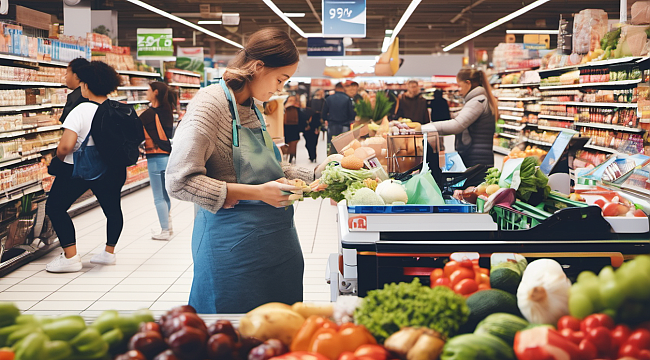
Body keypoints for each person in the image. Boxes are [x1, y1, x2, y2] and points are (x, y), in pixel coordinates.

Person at [165, 28, 316, 314]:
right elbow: (178, 181)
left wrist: (316, 175)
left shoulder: (251, 107)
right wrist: (257, 194)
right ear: (258, 67)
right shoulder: (209, 106)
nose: (281, 88)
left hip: (277, 243)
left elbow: (268, 167)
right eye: (280, 79)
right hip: (233, 250)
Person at [44, 61, 125, 273]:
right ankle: (109, 253)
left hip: (78, 169)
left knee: (55, 207)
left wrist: (59, 159)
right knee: (112, 210)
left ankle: (70, 257)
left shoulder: (81, 110)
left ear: (86, 85)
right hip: (110, 169)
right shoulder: (117, 109)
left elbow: (66, 146)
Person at [422, 68, 497, 180]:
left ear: (468, 83)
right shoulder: (478, 100)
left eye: (459, 85)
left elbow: (457, 125)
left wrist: (423, 128)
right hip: (479, 158)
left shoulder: (477, 101)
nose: (458, 89)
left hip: (476, 160)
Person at [140, 82, 176, 240]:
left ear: (155, 92)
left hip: (154, 158)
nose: (146, 92)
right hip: (167, 156)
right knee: (165, 194)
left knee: (158, 196)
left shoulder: (148, 114)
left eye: (148, 90)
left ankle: (164, 231)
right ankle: (168, 225)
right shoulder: (167, 111)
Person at [322, 82, 355, 155]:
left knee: (331, 144)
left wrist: (327, 119)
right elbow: (351, 113)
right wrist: (349, 120)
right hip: (345, 125)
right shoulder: (347, 98)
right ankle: (342, 160)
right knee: (344, 146)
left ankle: (331, 158)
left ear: (336, 88)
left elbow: (324, 113)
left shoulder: (329, 98)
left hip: (332, 124)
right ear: (342, 88)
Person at [59, 57, 90, 124]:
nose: (65, 76)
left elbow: (65, 121)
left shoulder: (74, 98)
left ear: (76, 76)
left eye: (67, 73)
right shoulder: (92, 94)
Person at [283, 95, 301, 164]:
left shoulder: (297, 108)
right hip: (286, 127)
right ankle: (287, 156)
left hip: (294, 128)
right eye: (290, 100)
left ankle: (292, 156)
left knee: (293, 143)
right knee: (286, 143)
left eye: (293, 100)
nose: (291, 102)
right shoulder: (284, 108)